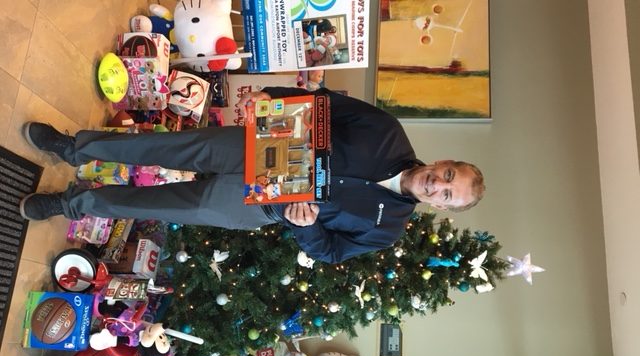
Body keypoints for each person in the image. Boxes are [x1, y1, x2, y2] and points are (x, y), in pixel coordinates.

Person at [20, 87, 485, 263]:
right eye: (449, 174)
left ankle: (70, 204)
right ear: (445, 162)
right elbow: (325, 104)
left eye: (448, 194)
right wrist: (272, 96)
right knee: (157, 147)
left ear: (441, 207)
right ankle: (75, 148)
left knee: (159, 205)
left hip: (258, 206)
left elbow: (330, 251)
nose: (439, 184)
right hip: (256, 147)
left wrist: (306, 228)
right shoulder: (388, 132)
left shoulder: (387, 230)